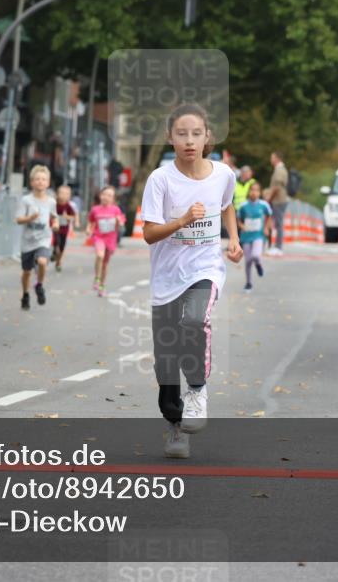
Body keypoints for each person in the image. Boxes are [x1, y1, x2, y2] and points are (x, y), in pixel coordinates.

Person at [141, 103, 242, 459]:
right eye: (181, 133)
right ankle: (175, 427)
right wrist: (182, 220)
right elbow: (149, 233)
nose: (189, 140)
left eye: (196, 133)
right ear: (170, 137)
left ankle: (197, 389)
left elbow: (226, 203)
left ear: (207, 137)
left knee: (195, 320)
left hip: (205, 269)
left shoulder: (223, 174)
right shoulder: (161, 179)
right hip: (166, 278)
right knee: (166, 360)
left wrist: (234, 238)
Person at [15, 165, 58, 310]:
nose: (40, 182)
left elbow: (54, 217)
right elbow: (18, 219)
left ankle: (39, 285)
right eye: (37, 179)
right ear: (32, 182)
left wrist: (56, 223)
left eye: (43, 179)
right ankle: (25, 294)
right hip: (28, 240)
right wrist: (30, 218)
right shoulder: (26, 200)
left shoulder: (51, 201)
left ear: (48, 182)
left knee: (42, 261)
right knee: (26, 272)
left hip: (44, 239)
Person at [86, 185, 127, 297]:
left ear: (113, 199)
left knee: (105, 264)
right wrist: (88, 230)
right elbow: (90, 221)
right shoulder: (95, 209)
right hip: (98, 237)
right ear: (100, 196)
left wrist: (119, 221)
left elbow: (121, 223)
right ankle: (97, 278)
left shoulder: (116, 210)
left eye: (109, 195)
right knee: (100, 255)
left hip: (110, 239)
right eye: (104, 194)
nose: (106, 197)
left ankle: (102, 286)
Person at [237, 182, 272, 291]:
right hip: (246, 236)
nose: (254, 192)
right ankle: (248, 283)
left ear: (260, 192)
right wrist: (242, 226)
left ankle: (258, 264)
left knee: (256, 255)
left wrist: (266, 228)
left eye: (257, 190)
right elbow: (238, 220)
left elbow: (269, 216)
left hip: (258, 235)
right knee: (247, 261)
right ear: (249, 192)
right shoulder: (243, 206)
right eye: (252, 190)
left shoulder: (264, 205)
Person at [267, 151, 289, 255]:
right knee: (277, 223)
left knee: (279, 224)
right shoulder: (279, 169)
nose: (271, 159)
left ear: (277, 158)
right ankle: (276, 246)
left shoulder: (279, 170)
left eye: (272, 157)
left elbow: (277, 187)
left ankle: (278, 247)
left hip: (279, 200)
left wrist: (269, 197)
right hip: (279, 199)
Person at [53, 184, 76, 273]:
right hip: (55, 229)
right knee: (56, 244)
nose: (64, 196)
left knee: (62, 247)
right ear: (57, 194)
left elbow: (73, 217)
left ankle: (58, 262)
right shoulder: (53, 204)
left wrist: (67, 217)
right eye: (62, 193)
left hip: (64, 230)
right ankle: (54, 253)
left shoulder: (68, 206)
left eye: (66, 194)